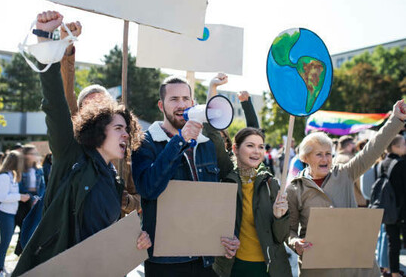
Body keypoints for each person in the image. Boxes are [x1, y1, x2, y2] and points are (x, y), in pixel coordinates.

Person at [12, 10, 151, 277]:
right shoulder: (70, 156)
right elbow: (55, 104)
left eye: (128, 130)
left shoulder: (114, 179)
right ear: (98, 130)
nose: (126, 136)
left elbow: (105, 239)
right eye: (119, 128)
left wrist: (134, 242)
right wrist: (47, 41)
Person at [131, 75, 239, 277]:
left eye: (185, 99)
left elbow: (217, 196)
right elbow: (148, 189)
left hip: (205, 258)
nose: (181, 105)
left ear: (192, 103)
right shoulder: (145, 142)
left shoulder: (206, 144)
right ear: (161, 105)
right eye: (174, 99)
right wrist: (179, 141)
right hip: (166, 261)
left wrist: (229, 235)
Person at [286, 100, 406, 277]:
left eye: (328, 154)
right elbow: (289, 229)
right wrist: (295, 242)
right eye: (319, 154)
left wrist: (396, 119)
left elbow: (372, 149)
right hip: (320, 268)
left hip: (354, 265)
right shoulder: (295, 189)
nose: (325, 159)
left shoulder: (344, 173)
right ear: (305, 158)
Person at [59, 22, 140, 216]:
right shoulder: (76, 145)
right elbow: (63, 94)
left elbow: (140, 199)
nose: (97, 114)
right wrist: (67, 48)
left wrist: (127, 201)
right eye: (90, 108)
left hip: (114, 234)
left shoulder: (126, 152)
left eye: (102, 107)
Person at [209, 127, 292, 277]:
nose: (257, 151)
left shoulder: (270, 183)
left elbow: (281, 237)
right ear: (235, 148)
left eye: (261, 147)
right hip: (233, 267)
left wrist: (280, 217)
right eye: (250, 146)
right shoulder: (225, 180)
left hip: (268, 268)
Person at [0, 151, 31, 277]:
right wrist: (20, 197)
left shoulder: (12, 175)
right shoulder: (4, 176)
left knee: (6, 241)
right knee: (5, 242)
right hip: (5, 213)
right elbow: (1, 196)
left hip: (11, 213)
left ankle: (1, 266)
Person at [381, 135, 406, 277]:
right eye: (403, 144)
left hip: (388, 210)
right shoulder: (401, 163)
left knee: (393, 243)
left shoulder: (383, 163)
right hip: (401, 210)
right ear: (395, 147)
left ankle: (395, 272)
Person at [14, 144, 45, 255]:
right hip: (23, 202)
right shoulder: (19, 169)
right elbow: (19, 186)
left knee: (33, 228)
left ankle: (25, 253)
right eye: (32, 153)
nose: (35, 156)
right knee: (24, 227)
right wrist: (31, 198)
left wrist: (39, 198)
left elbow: (42, 186)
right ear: (26, 155)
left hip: (35, 201)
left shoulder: (39, 169)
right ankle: (21, 253)